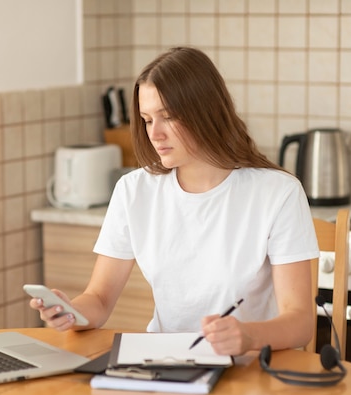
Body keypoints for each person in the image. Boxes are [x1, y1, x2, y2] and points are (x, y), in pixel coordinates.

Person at [30, 46, 319, 356]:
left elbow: (300, 322)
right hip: (165, 364)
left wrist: (247, 336)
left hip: (247, 370)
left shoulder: (278, 193)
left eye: (167, 117)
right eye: (146, 119)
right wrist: (72, 312)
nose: (155, 133)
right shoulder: (133, 190)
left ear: (206, 113)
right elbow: (99, 300)